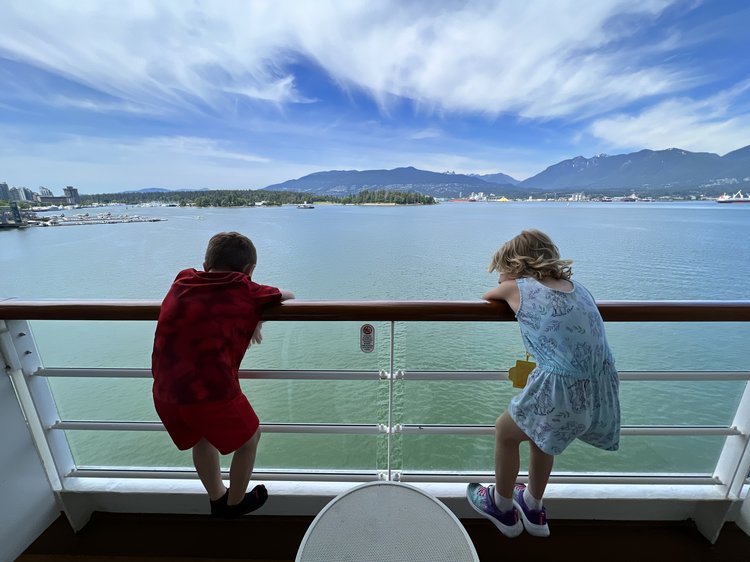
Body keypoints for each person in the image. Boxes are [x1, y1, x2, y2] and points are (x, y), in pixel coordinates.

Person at [467, 229, 620, 538]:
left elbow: (489, 296)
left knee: (505, 431)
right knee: (542, 439)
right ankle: (533, 507)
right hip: (596, 387)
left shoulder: (516, 288)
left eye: (502, 268)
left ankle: (501, 505)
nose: (499, 275)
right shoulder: (579, 288)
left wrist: (505, 284)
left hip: (559, 387)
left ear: (515, 265)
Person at [151, 231, 294, 519]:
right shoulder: (247, 290)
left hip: (165, 391)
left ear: (205, 264)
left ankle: (217, 498)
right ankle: (236, 503)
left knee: (201, 438)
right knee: (251, 437)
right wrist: (257, 314)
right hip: (209, 393)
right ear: (249, 271)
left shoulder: (183, 278)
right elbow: (288, 295)